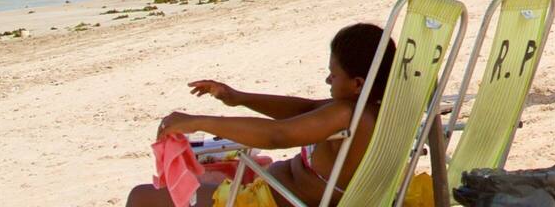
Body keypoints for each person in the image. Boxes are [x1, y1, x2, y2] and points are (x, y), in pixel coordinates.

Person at [126, 24, 395, 207]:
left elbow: (277, 135)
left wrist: (196, 122)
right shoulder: (369, 109)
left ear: (358, 83)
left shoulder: (346, 114)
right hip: (272, 191)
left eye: (333, 75)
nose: (327, 79)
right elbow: (306, 109)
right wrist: (238, 98)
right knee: (202, 179)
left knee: (142, 197)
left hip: (267, 201)